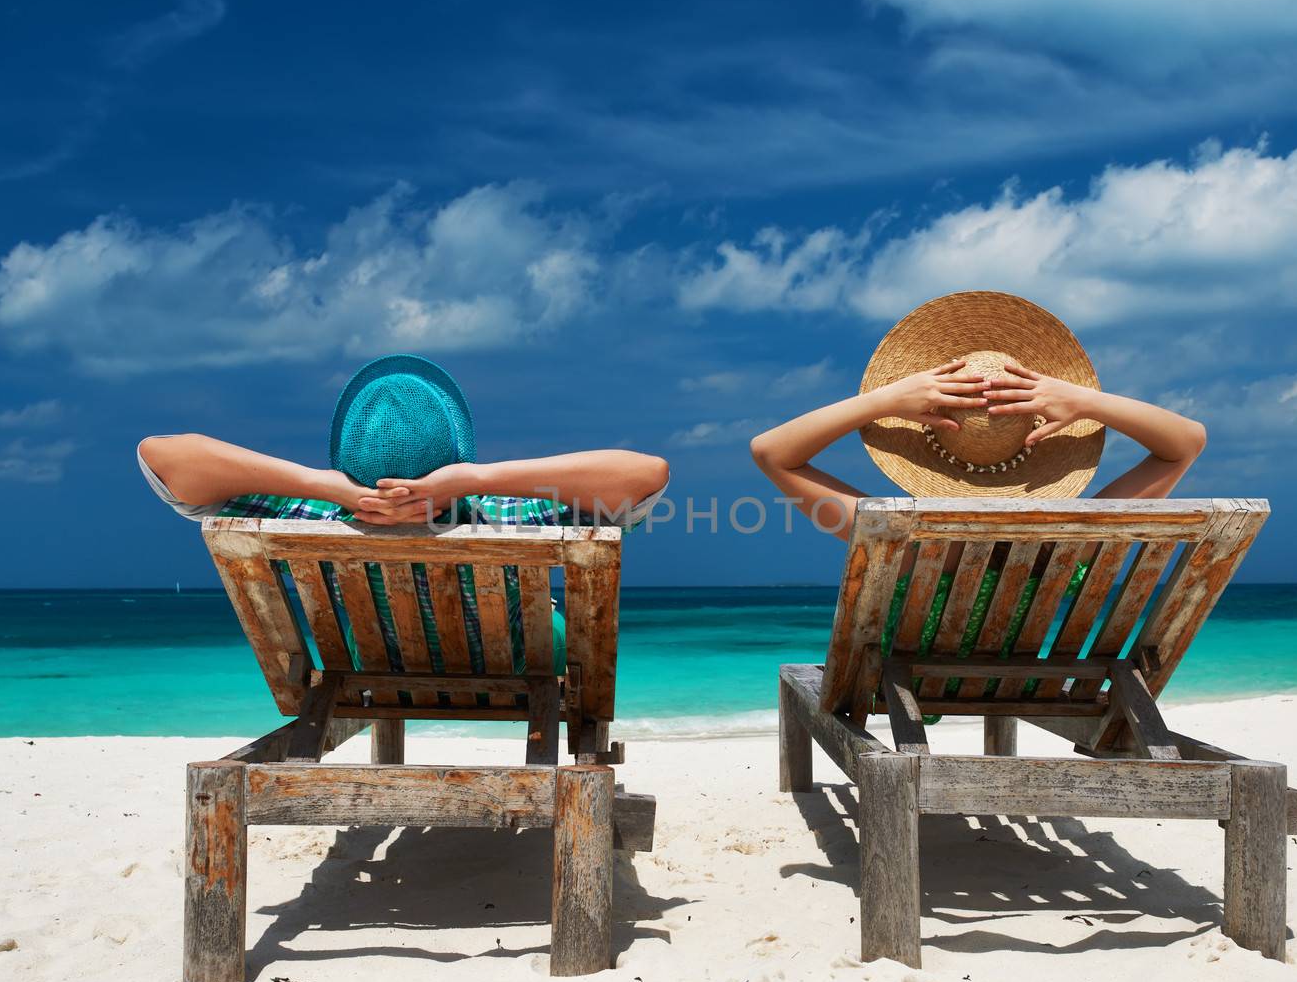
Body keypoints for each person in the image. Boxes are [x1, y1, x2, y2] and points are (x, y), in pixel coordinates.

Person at [749, 291, 1208, 710]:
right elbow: (1187, 442)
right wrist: (1087, 401)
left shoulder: (907, 544)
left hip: (905, 689)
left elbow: (772, 454)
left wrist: (883, 400)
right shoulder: (1071, 547)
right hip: (1026, 687)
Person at [138, 353, 669, 673]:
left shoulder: (312, 515)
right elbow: (646, 476)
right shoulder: (506, 515)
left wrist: (322, 486)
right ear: (454, 449)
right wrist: (477, 480)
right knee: (550, 618)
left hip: (374, 666)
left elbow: (162, 457)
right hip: (517, 666)